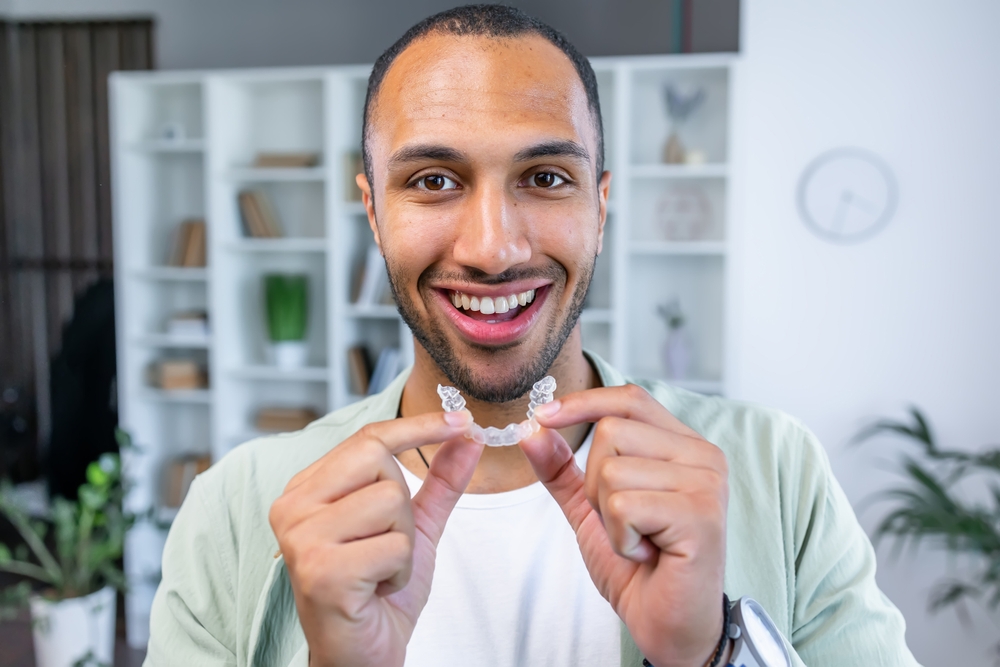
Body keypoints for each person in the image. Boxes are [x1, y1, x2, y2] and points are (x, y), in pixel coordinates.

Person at [145, 6, 919, 667]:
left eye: (546, 177)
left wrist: (708, 653)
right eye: (434, 181)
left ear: (601, 205)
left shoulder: (775, 472)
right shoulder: (237, 508)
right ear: (373, 211)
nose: (493, 248)